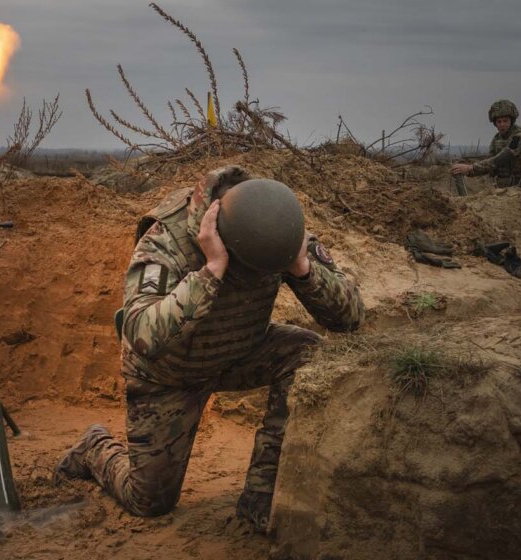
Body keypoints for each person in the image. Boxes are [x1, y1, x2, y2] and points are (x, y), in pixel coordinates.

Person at [54, 165, 365, 534]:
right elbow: (140, 335)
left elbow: (351, 317)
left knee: (306, 351)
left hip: (239, 352)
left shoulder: (273, 229)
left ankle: (260, 496)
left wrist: (301, 267)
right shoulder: (165, 241)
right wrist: (212, 270)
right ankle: (94, 446)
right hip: (169, 374)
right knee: (150, 502)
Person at [451, 99, 521, 190]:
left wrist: (470, 168)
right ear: (495, 123)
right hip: (510, 187)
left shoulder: (520, 137)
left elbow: (501, 158)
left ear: (511, 121)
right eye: (499, 121)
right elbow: (489, 160)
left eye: (505, 121)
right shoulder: (496, 139)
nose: (502, 124)